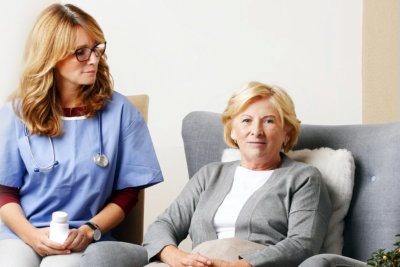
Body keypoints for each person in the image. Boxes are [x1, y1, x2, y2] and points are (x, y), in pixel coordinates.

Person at [81, 81, 332, 267]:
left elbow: (302, 244)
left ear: (287, 132)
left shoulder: (304, 178)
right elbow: (163, 225)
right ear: (232, 130)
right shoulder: (210, 175)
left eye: (268, 121)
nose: (256, 130)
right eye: (246, 121)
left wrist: (241, 266)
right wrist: (177, 257)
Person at [0, 3, 163, 267]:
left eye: (96, 48)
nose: (94, 59)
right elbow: (4, 191)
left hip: (85, 235)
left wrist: (89, 231)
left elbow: (129, 193)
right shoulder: (16, 113)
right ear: (50, 56)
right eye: (80, 53)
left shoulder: (121, 112)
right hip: (22, 233)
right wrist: (31, 236)